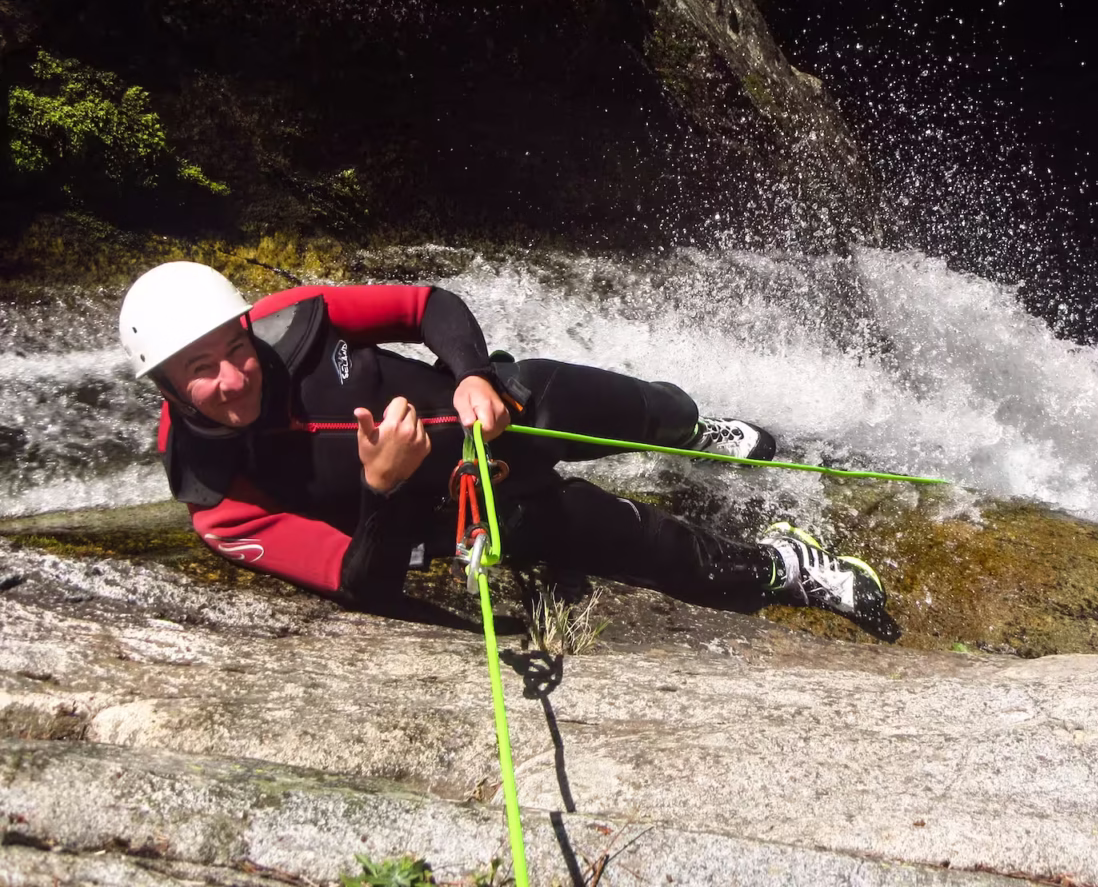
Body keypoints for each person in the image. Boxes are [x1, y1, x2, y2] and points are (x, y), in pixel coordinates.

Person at [118, 261, 895, 637]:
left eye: (235, 348)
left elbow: (428, 305)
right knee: (647, 546)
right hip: (466, 506)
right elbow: (362, 585)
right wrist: (386, 489)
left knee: (648, 407)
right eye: (201, 370)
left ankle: (695, 434)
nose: (233, 376)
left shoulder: (293, 318)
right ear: (165, 385)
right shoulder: (216, 499)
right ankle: (785, 566)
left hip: (503, 408)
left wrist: (469, 378)